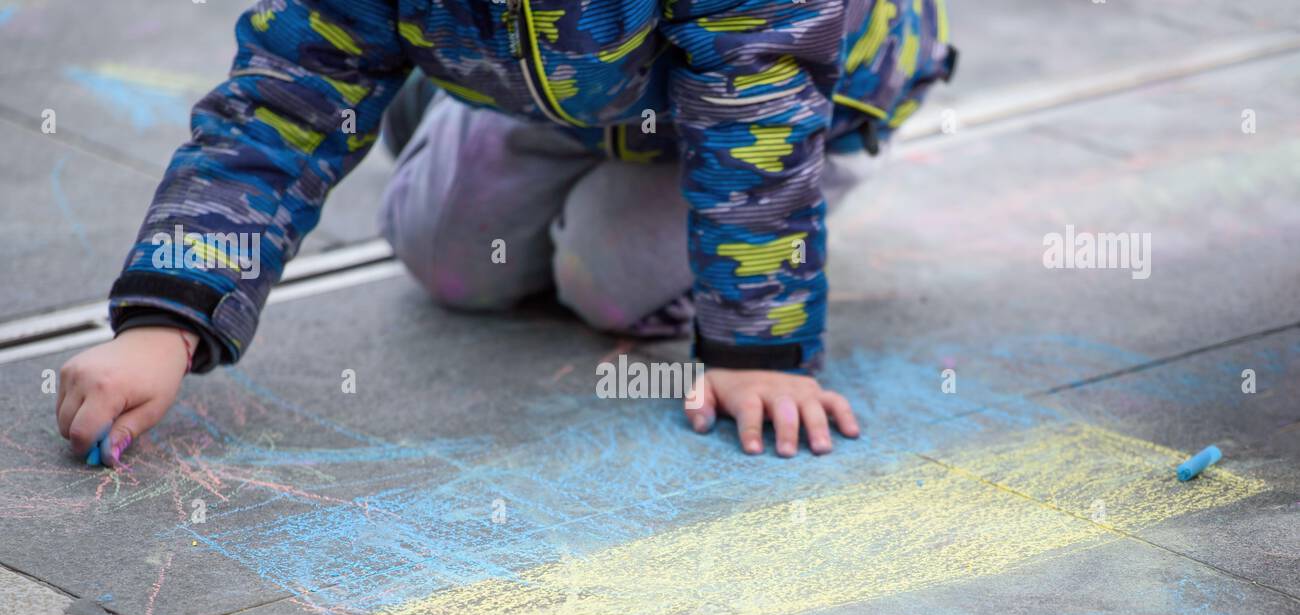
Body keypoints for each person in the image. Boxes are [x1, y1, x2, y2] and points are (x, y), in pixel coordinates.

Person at [55, 0, 955, 466]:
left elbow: (752, 125)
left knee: (602, 272)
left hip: (781, 102)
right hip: (570, 83)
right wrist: (163, 322)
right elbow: (282, 104)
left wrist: (758, 351)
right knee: (447, 259)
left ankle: (827, 175)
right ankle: (440, 95)